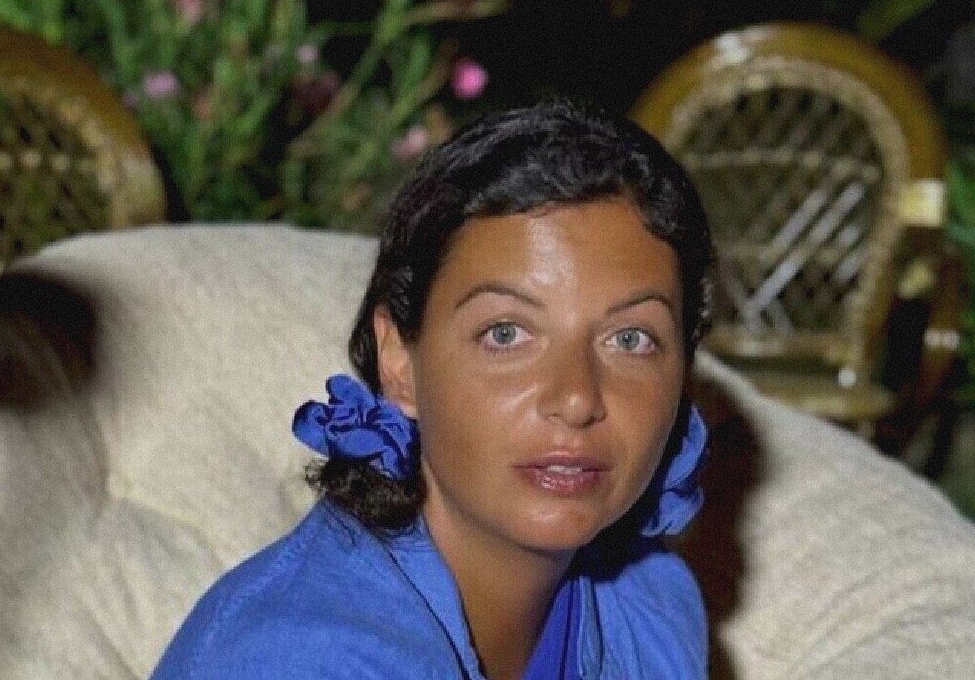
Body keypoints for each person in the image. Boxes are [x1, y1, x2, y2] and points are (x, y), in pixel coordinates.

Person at [151, 99, 716, 679]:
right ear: (399, 360)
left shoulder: (654, 609)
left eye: (630, 339)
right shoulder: (294, 659)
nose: (576, 399)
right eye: (506, 334)